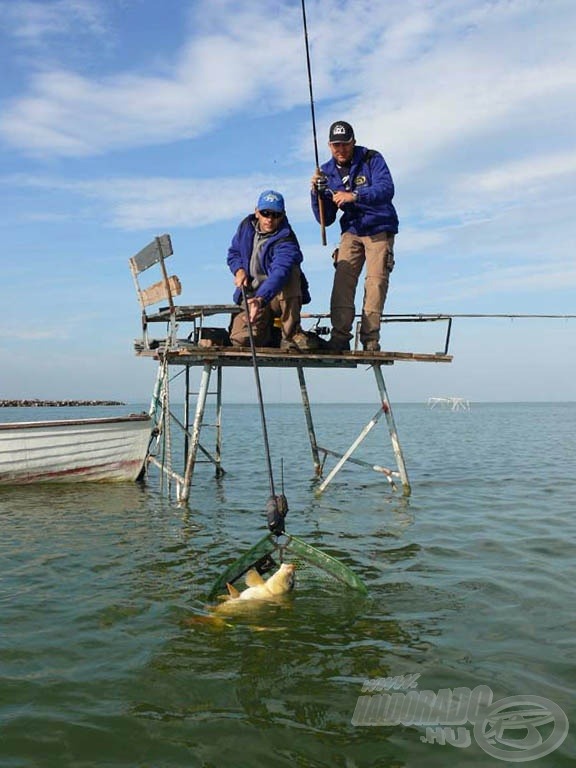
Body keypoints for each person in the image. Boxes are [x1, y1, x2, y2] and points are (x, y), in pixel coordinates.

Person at [311, 120, 399, 352]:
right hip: (351, 230)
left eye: (345, 144)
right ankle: (340, 338)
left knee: (375, 283)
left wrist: (355, 195)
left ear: (353, 142)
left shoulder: (371, 158)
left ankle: (370, 339)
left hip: (379, 227)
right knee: (343, 281)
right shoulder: (326, 172)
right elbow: (325, 219)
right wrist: (316, 194)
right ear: (330, 146)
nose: (341, 150)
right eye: (336, 145)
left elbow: (387, 189)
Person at [227, 190, 318, 351]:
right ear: (257, 212)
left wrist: (260, 300)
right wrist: (238, 269)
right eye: (265, 213)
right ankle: (272, 334)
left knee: (290, 274)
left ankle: (291, 333)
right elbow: (234, 253)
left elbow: (280, 273)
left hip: (272, 298)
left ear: (282, 215)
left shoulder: (287, 240)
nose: (269, 219)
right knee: (241, 340)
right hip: (250, 296)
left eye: (275, 215)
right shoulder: (245, 227)